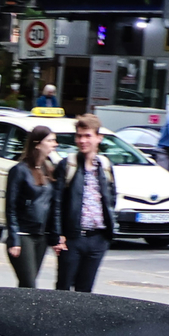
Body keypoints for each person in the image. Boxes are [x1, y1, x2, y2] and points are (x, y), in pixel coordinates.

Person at [53, 115, 117, 293]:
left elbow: (111, 197)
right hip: (73, 238)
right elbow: (57, 202)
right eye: (79, 136)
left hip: (97, 238)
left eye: (87, 136)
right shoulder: (68, 164)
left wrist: (107, 234)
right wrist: (58, 235)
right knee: (63, 288)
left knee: (85, 291)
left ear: (99, 138)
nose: (82, 141)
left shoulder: (104, 165)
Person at [0, 124, 60, 288]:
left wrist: (55, 235)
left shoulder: (48, 169)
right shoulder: (19, 171)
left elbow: (53, 205)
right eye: (50, 140)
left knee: (27, 285)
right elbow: (10, 206)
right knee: (29, 284)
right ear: (37, 143)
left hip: (41, 235)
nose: (55, 144)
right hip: (23, 234)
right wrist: (14, 238)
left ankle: (18, 313)